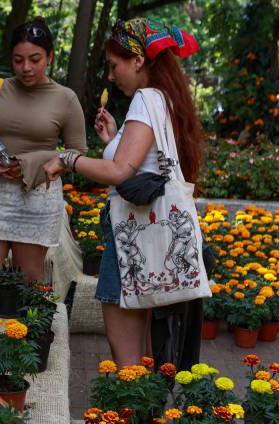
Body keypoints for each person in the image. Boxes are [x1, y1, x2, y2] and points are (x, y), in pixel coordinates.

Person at [44, 18, 202, 366]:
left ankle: (130, 420)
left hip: (133, 237)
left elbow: (119, 172)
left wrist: (66, 158)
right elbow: (140, 163)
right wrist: (115, 138)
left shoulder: (146, 98)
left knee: (128, 360)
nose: (112, 76)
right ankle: (146, 420)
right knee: (148, 356)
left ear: (138, 61)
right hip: (155, 241)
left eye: (115, 66)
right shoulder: (165, 99)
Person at [0, 17, 87, 297]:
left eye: (35, 59)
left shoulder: (65, 99)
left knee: (27, 284)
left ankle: (20, 338)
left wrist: (37, 161)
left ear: (50, 57)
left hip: (38, 198)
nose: (26, 67)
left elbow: (77, 152)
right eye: (18, 60)